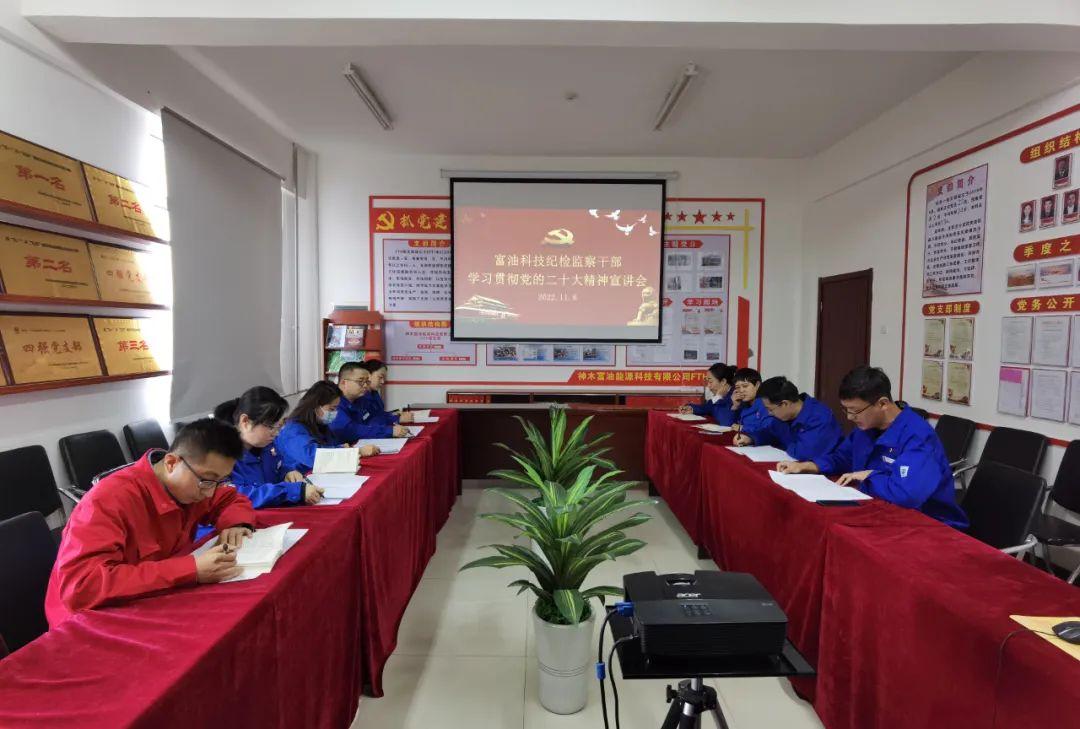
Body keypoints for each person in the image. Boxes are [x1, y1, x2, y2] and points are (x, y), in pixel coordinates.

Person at [45, 419, 257, 627]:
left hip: (156, 594)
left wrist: (235, 523)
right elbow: (82, 587)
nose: (210, 492)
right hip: (90, 619)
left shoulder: (195, 484)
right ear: (171, 463)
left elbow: (230, 499)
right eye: (207, 481)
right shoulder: (107, 501)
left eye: (219, 481)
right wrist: (189, 569)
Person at [777, 366, 968, 529]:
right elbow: (843, 458)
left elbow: (907, 495)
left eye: (855, 411)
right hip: (877, 510)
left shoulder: (918, 436)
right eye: (846, 410)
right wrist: (809, 466)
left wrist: (870, 475)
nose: (849, 417)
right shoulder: (866, 427)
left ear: (882, 404)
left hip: (927, 524)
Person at [214, 386, 324, 507]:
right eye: (271, 427)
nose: (276, 433)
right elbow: (237, 497)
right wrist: (293, 491)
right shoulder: (221, 457)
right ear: (245, 421)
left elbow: (277, 468)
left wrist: (287, 473)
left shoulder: (268, 447)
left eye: (279, 426)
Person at [275, 381, 380, 472]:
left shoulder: (320, 425)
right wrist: (355, 452)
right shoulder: (292, 430)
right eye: (332, 409)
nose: (335, 413)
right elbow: (314, 457)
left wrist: (344, 448)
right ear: (316, 406)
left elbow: (330, 446)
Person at [733, 376, 842, 461]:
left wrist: (782, 444)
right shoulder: (783, 415)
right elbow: (770, 433)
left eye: (770, 409)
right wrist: (752, 438)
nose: (769, 413)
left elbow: (804, 454)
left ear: (784, 404)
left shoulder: (819, 417)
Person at [330, 362, 409, 442]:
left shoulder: (360, 399)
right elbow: (350, 430)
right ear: (344, 383)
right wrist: (388, 431)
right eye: (360, 381)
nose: (365, 386)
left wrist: (395, 420)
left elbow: (375, 418)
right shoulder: (332, 403)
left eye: (367, 382)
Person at [361, 360, 415, 425]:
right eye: (380, 377)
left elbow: (379, 414)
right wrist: (397, 418)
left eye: (384, 378)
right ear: (368, 375)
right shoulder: (361, 396)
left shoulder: (374, 393)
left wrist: (395, 414)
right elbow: (369, 422)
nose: (383, 381)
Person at [730, 367, 770, 433]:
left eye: (745, 386)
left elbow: (767, 430)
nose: (741, 390)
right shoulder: (743, 404)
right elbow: (730, 426)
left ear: (757, 385)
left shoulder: (766, 404)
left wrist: (743, 428)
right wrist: (735, 406)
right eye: (737, 387)